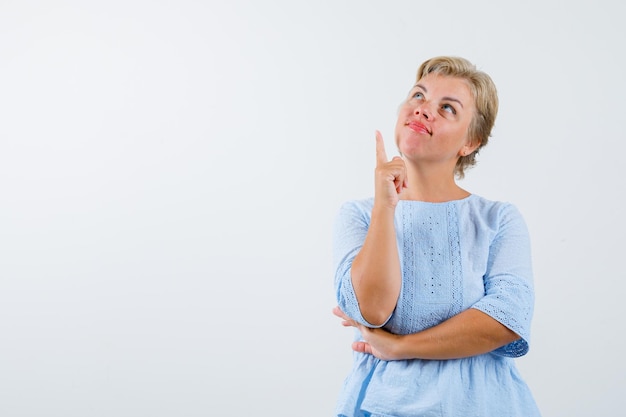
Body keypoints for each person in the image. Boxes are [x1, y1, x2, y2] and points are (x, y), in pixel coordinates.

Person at [332, 56, 541, 416]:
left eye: (447, 108)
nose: (424, 110)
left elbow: (507, 319)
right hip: (385, 406)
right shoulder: (360, 215)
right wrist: (386, 206)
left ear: (470, 142)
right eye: (418, 95)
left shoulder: (497, 219)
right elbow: (373, 309)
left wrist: (400, 347)